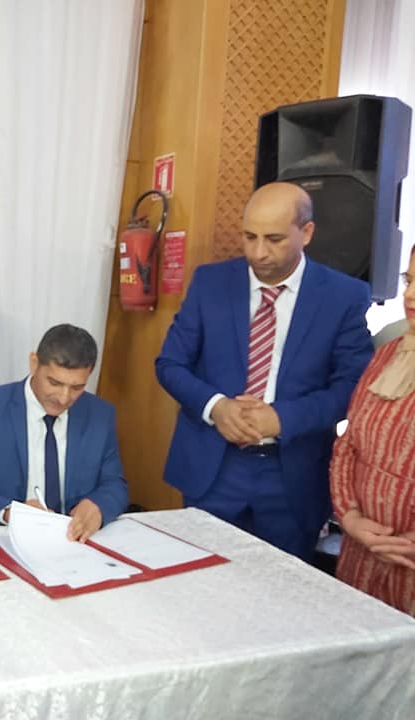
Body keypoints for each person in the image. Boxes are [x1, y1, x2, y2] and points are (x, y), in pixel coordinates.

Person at [156, 182, 373, 561]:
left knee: (282, 588)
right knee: (199, 582)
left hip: (291, 477)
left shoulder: (343, 296)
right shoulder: (210, 283)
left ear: (306, 232)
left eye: (274, 239)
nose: (258, 253)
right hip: (214, 468)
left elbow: (353, 387)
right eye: (249, 237)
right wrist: (215, 407)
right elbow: (170, 364)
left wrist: (283, 418)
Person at [0, 324, 128, 542]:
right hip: (8, 539)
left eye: (77, 387)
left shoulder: (100, 414)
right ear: (34, 363)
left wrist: (98, 506)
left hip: (74, 543)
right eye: (54, 383)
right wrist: (11, 512)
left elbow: (115, 484)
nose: (64, 398)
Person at [330, 246, 415, 615]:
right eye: (409, 281)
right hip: (360, 555)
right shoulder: (386, 353)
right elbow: (348, 445)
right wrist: (349, 517)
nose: (410, 295)